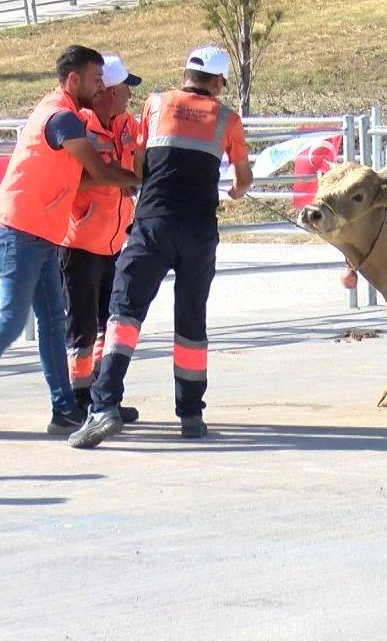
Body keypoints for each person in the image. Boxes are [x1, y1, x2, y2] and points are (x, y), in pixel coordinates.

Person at [0, 45, 139, 441]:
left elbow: (80, 179)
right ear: (73, 80)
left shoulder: (70, 114)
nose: (102, 87)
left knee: (52, 323)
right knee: (12, 320)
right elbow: (97, 171)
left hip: (43, 234)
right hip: (20, 233)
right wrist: (141, 180)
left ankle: (65, 409)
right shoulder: (60, 118)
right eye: (96, 80)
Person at [70, 45, 252, 449]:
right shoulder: (227, 118)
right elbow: (242, 180)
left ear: (186, 74)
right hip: (200, 232)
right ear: (219, 82)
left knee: (124, 314)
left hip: (152, 225)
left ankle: (104, 407)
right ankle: (190, 414)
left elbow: (137, 168)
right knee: (191, 322)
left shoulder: (154, 104)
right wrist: (236, 191)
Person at [58, 53, 143, 423]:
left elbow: (141, 163)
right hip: (79, 242)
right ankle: (77, 402)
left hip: (115, 242)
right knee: (80, 328)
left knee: (110, 324)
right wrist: (122, 178)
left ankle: (104, 396)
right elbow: (76, 179)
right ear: (107, 90)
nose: (129, 93)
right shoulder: (80, 125)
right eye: (125, 86)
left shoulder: (129, 124)